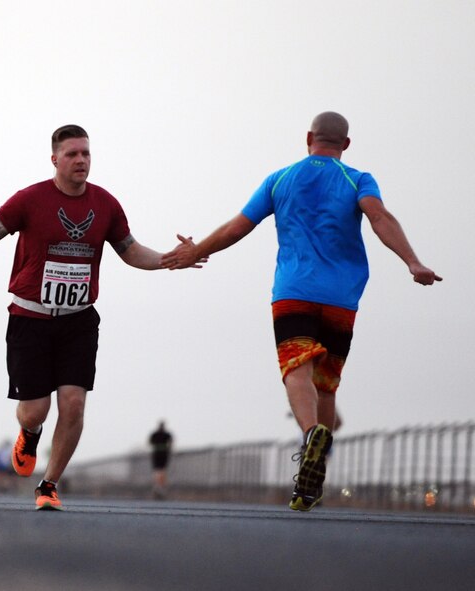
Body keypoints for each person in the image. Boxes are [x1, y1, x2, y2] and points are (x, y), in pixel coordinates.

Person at [161, 111, 442, 511]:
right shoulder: (358, 179)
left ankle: (311, 434)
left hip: (293, 291)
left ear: (308, 137)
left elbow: (238, 226)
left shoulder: (280, 178)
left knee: (297, 368)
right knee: (325, 383)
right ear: (346, 144)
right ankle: (311, 482)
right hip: (342, 297)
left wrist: (196, 250)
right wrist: (412, 262)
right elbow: (379, 217)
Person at [0, 124, 205, 510]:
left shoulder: (105, 204)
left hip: (78, 320)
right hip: (30, 317)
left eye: (86, 153)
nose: (81, 160)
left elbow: (132, 252)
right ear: (55, 159)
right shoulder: (30, 199)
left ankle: (49, 484)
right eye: (72, 154)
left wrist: (172, 260)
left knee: (73, 403)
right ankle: (29, 431)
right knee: (36, 408)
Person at [148, 421, 173, 499]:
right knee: (161, 471)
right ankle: (159, 486)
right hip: (163, 453)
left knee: (159, 471)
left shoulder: (155, 434)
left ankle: (158, 486)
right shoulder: (166, 434)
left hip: (158, 454)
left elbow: (150, 442)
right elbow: (170, 443)